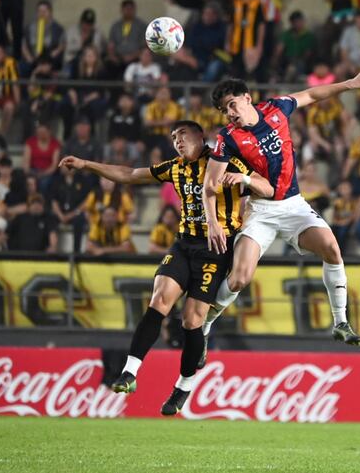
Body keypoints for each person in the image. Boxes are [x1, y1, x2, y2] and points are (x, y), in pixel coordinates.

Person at [58, 119, 274, 415]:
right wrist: (86, 164)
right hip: (184, 245)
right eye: (174, 137)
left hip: (216, 250)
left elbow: (268, 187)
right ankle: (130, 372)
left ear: (200, 136)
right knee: (159, 300)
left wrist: (246, 181)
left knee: (191, 320)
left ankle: (183, 387)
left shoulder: (226, 162)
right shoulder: (174, 167)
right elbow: (130, 174)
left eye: (182, 134)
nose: (177, 141)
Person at [203, 73, 360, 346]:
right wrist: (213, 221)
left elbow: (311, 94)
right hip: (260, 210)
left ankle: (340, 321)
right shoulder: (228, 138)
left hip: (293, 205)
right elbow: (210, 185)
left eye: (232, 105)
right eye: (224, 110)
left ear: (247, 98)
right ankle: (205, 325)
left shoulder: (277, 109)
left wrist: (351, 84)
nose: (229, 113)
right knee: (239, 279)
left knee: (332, 248)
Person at [228, 0, 266, 82]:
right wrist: (227, 42)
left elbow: (261, 25)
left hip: (251, 45)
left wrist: (259, 45)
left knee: (254, 73)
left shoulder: (257, 4)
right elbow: (231, 24)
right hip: (236, 44)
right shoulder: (236, 4)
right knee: (236, 74)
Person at [106, 0, 147, 79]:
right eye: (126, 9)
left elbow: (144, 46)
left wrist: (132, 56)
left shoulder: (141, 26)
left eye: (131, 9)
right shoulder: (116, 26)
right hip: (118, 58)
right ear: (121, 10)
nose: (129, 11)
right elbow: (111, 45)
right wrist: (112, 56)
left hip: (136, 58)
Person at [21, 0, 65, 74]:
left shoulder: (58, 29)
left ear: (50, 13)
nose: (41, 14)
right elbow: (24, 46)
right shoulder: (29, 28)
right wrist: (30, 59)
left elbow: (60, 47)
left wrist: (48, 62)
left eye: (44, 11)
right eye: (39, 11)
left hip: (50, 61)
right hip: (32, 59)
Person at [274, 10, 316, 82]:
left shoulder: (308, 36)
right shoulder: (287, 34)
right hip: (287, 60)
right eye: (295, 22)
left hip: (302, 61)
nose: (297, 24)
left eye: (299, 21)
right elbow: (279, 49)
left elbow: (308, 53)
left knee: (293, 69)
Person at [64, 8, 106, 74]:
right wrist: (81, 43)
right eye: (85, 23)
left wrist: (92, 51)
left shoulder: (98, 32)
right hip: (73, 59)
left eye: (90, 24)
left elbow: (102, 48)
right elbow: (68, 47)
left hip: (93, 61)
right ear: (81, 22)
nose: (87, 26)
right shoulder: (72, 31)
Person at [23, 122, 61, 195]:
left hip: (48, 172)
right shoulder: (30, 142)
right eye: (39, 132)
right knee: (29, 181)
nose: (41, 134)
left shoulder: (55, 144)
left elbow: (54, 166)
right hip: (33, 170)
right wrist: (29, 173)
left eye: (43, 132)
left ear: (49, 132)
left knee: (44, 183)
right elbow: (26, 162)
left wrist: (43, 174)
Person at [331, 180, 358, 253]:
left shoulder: (354, 201)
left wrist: (344, 222)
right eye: (342, 188)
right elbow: (334, 215)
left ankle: (341, 253)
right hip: (339, 222)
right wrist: (336, 222)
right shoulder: (337, 202)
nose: (344, 190)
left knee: (342, 232)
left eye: (346, 188)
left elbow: (353, 215)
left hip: (349, 222)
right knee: (332, 230)